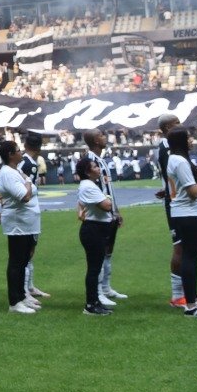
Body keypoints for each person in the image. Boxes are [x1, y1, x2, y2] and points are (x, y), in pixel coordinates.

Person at [165, 128, 197, 319]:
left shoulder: (175, 159)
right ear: (181, 141)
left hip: (186, 213)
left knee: (190, 258)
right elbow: (193, 192)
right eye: (188, 137)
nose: (191, 140)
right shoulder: (179, 161)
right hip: (186, 214)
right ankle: (191, 305)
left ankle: (192, 300)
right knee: (190, 258)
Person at [79, 130, 126, 305]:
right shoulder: (90, 161)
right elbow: (86, 190)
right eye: (102, 135)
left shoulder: (101, 161)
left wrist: (116, 211)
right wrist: (81, 208)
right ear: (95, 140)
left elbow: (108, 190)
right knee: (98, 255)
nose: (105, 137)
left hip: (109, 213)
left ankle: (105, 287)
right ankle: (97, 292)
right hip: (98, 217)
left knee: (108, 252)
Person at [0, 139, 41, 314]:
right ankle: (14, 301)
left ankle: (21, 296)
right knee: (16, 261)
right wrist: (28, 182)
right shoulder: (8, 173)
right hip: (17, 223)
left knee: (22, 261)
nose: (21, 152)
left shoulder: (16, 170)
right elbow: (24, 196)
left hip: (26, 222)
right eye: (18, 150)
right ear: (10, 154)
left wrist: (27, 180)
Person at [152, 113, 189, 307]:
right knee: (180, 246)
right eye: (177, 123)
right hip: (176, 203)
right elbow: (172, 175)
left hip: (176, 199)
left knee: (187, 247)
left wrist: (166, 188)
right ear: (166, 128)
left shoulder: (171, 146)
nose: (180, 125)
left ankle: (189, 292)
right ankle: (177, 295)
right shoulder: (167, 148)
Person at [75, 155, 115, 315]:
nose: (98, 168)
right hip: (94, 229)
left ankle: (95, 301)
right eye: (95, 166)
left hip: (95, 228)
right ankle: (91, 304)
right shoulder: (88, 186)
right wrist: (108, 198)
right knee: (94, 269)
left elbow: (80, 204)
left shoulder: (88, 184)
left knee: (95, 268)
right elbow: (106, 206)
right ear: (87, 171)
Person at [19, 132, 49, 304]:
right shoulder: (29, 164)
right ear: (39, 147)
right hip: (27, 211)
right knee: (27, 251)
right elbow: (26, 189)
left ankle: (29, 287)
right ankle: (25, 290)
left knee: (27, 251)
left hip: (26, 210)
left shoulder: (23, 161)